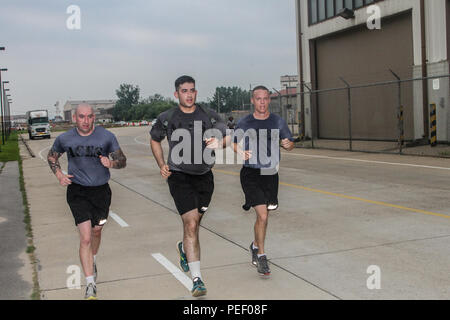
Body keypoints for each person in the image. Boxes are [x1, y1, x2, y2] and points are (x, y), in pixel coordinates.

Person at [150, 75, 228, 297]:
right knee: (191, 224)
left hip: (205, 177)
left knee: (195, 222)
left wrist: (219, 142)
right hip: (179, 176)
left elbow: (225, 134)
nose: (189, 94)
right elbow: (155, 139)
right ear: (176, 94)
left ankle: (184, 248)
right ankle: (197, 280)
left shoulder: (209, 115)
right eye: (184, 91)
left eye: (192, 90)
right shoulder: (167, 118)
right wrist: (162, 164)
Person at [47, 103, 126, 300]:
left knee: (96, 231)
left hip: (101, 192)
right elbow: (52, 156)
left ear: (94, 117)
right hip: (77, 191)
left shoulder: (106, 136)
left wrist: (112, 163)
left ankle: (93, 259)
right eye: (81, 117)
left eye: (89, 116)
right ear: (75, 118)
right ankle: (90, 284)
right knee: (85, 238)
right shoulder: (65, 138)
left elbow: (122, 160)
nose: (86, 120)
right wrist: (58, 174)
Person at [232, 85, 294, 277]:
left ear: (269, 100)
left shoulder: (277, 121)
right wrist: (241, 151)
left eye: (265, 98)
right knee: (263, 216)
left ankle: (254, 245)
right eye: (258, 98)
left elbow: (290, 144)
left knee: (263, 217)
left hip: (269, 172)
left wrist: (287, 144)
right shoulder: (245, 122)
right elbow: (234, 142)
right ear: (252, 101)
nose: (262, 102)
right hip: (250, 173)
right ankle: (262, 256)